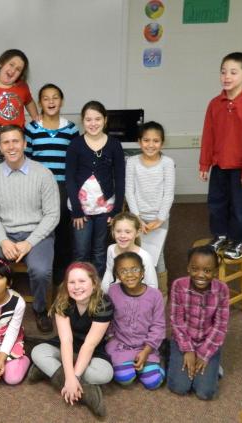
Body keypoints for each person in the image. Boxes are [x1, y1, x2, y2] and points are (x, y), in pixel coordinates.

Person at [0, 125, 59, 333]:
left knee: (40, 271)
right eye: (6, 142)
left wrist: (29, 243)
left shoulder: (43, 174)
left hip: (37, 235)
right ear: (0, 147)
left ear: (24, 144)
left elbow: (52, 215)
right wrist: (3, 241)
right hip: (4, 233)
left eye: (15, 141)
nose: (11, 146)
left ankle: (39, 309)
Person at [198, 52, 242, 260]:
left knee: (239, 208)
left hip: (241, 169)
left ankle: (240, 241)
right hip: (219, 165)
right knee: (216, 203)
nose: (227, 76)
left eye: (233, 72)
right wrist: (204, 163)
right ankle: (220, 235)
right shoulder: (214, 103)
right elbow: (208, 135)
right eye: (223, 72)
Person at [29, 262, 113, 417]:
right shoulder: (62, 301)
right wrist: (70, 378)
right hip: (68, 344)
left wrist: (75, 377)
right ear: (66, 285)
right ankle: (86, 392)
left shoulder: (104, 304)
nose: (77, 286)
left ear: (94, 284)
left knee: (105, 374)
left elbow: (90, 344)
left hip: (91, 348)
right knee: (38, 352)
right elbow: (66, 340)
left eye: (82, 281)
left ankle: (48, 372)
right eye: (72, 282)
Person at [25, 83, 79, 283]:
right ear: (40, 102)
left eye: (55, 97)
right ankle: (41, 269)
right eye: (46, 98)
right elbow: (26, 159)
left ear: (62, 101)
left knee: (63, 228)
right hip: (39, 187)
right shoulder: (31, 129)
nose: (51, 101)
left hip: (64, 186)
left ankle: (61, 273)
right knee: (42, 228)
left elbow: (75, 161)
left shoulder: (71, 128)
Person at [66, 101, 125, 276]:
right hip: (81, 209)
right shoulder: (75, 145)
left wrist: (116, 211)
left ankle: (97, 290)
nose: (93, 123)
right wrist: (76, 210)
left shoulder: (114, 144)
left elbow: (120, 177)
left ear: (105, 120)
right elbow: (69, 177)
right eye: (88, 119)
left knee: (100, 251)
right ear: (82, 121)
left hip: (105, 208)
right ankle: (80, 286)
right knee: (81, 252)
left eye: (97, 119)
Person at [167, 246, 229, 400]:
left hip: (208, 342)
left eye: (207, 271)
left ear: (215, 272)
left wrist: (204, 354)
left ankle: (214, 368)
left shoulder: (222, 289)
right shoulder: (178, 285)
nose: (200, 275)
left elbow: (220, 326)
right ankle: (173, 355)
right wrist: (188, 350)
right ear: (188, 268)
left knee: (205, 393)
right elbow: (176, 320)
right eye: (195, 269)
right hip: (183, 339)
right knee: (179, 387)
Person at [125, 121, 175, 298]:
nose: (151, 145)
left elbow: (168, 194)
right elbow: (129, 191)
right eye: (146, 140)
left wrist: (159, 220)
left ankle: (161, 293)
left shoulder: (167, 163)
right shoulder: (132, 162)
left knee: (157, 256)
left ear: (162, 143)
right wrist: (137, 218)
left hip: (159, 219)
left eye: (156, 141)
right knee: (136, 252)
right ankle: (139, 290)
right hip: (137, 218)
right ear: (139, 142)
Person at [106, 252, 165, 390]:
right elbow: (108, 318)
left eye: (135, 269)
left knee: (153, 382)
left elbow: (159, 326)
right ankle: (128, 362)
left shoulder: (155, 295)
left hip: (146, 346)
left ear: (143, 272)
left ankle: (159, 361)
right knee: (125, 379)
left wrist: (146, 351)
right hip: (121, 345)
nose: (130, 274)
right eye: (123, 271)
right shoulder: (112, 291)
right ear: (117, 275)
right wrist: (109, 338)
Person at [0, 49, 38, 168]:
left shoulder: (22, 87)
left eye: (18, 69)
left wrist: (36, 118)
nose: (13, 70)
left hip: (16, 137)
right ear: (1, 63)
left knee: (16, 171)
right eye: (11, 64)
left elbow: (29, 101)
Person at [102, 212, 158, 293]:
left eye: (127, 232)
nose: (122, 236)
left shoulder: (144, 256)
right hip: (116, 296)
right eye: (118, 231)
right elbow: (109, 271)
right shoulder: (111, 249)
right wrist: (104, 292)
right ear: (113, 231)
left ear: (137, 232)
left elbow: (153, 286)